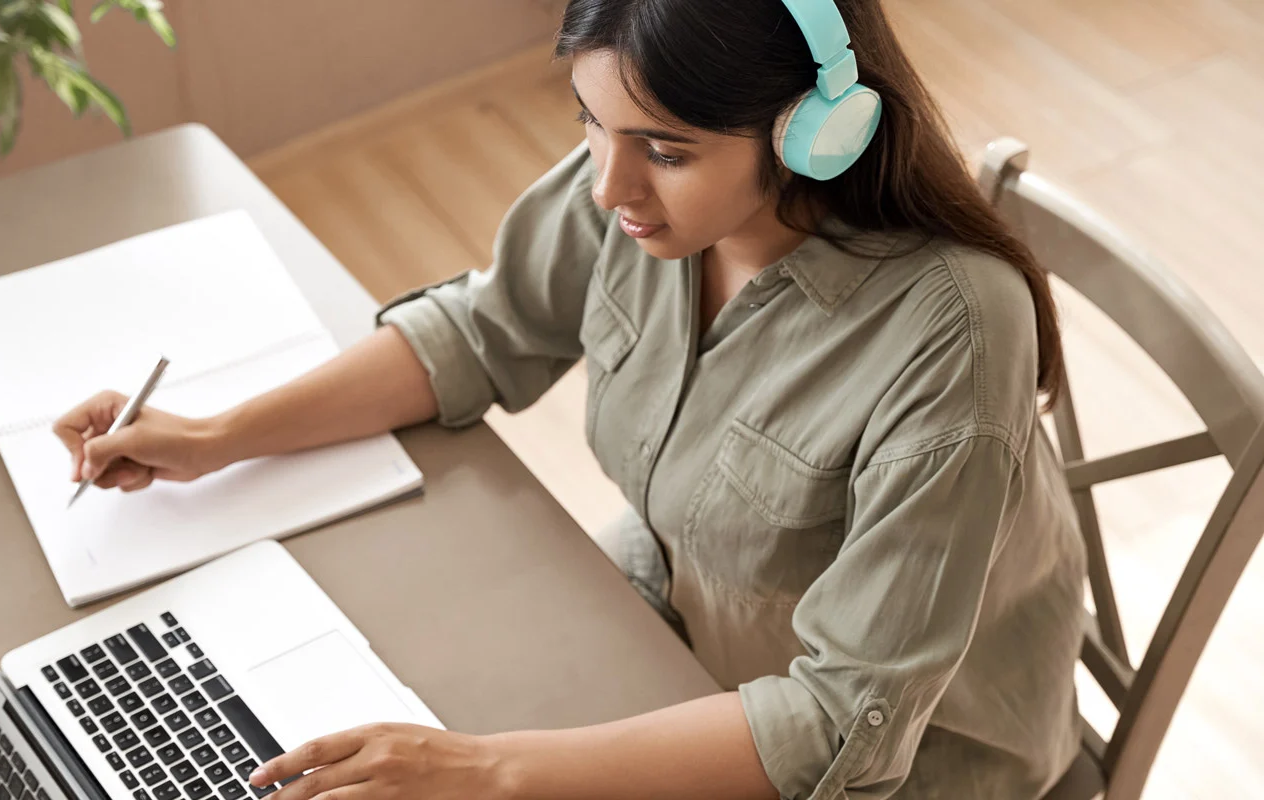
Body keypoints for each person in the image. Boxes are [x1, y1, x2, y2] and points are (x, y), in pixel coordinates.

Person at [53, 0, 1088, 796]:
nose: (608, 186)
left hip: (892, 763)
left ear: (814, 131)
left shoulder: (948, 336)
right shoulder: (644, 190)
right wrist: (215, 434)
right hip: (687, 628)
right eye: (590, 123)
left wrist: (490, 767)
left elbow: (840, 723)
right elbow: (483, 329)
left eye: (665, 151)